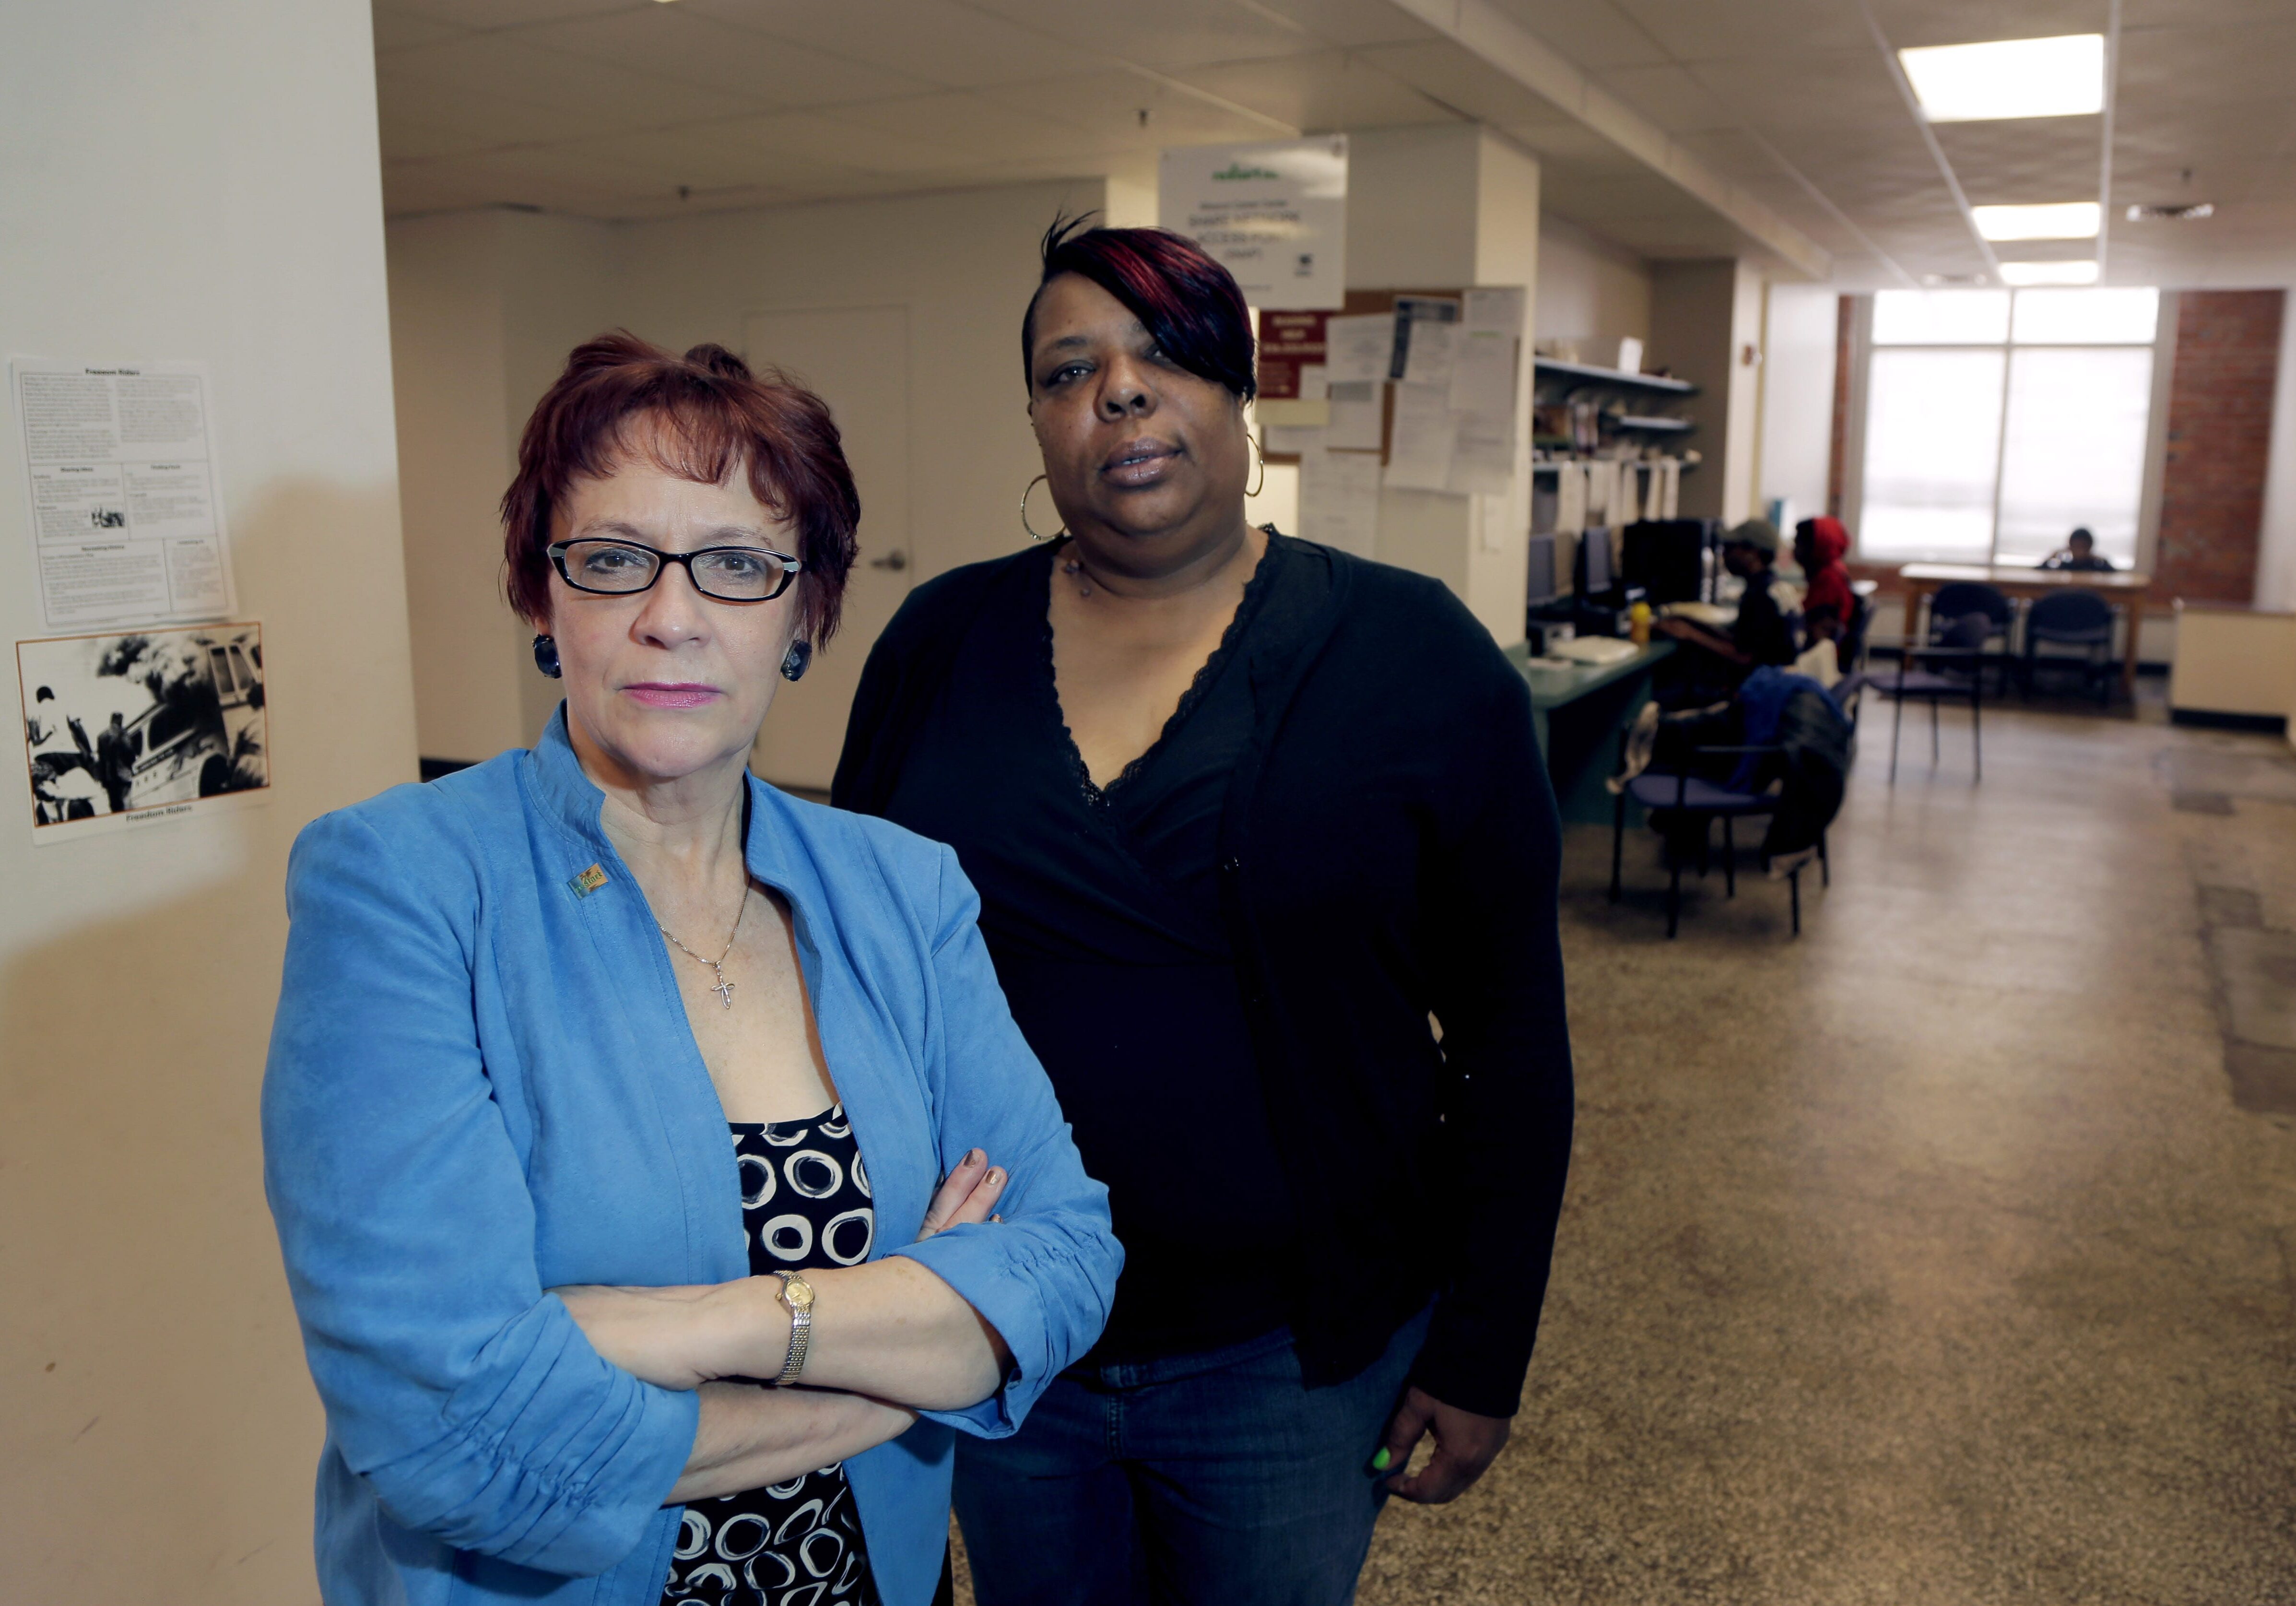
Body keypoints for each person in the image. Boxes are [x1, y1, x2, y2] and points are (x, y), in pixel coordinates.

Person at [262, 333, 1120, 1606]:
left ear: (801, 611)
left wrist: (696, 1326)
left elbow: (1063, 1261)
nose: (671, 617)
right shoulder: (400, 887)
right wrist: (912, 1341)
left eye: (734, 565)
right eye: (613, 561)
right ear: (543, 598)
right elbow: (462, 1436)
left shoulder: (902, 886)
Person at [832, 221, 1574, 1606]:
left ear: (1242, 395)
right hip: (1006, 1333)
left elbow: (1512, 1035)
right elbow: (857, 964)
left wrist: (1482, 1345)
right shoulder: (939, 643)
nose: (1116, 391)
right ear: (1041, 421)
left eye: (1164, 355)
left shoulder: (1415, 661)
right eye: (1070, 369)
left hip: (1287, 1357)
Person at [1654, 519, 1799, 693]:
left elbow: (1744, 657)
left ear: (1753, 552)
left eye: (1730, 548)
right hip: (1774, 686)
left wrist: (1690, 634)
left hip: (1759, 693)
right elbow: (1746, 643)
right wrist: (1694, 625)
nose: (1724, 555)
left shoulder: (1761, 597)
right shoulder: (1771, 586)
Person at [1792, 516, 1856, 654]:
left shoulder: (1828, 578)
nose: (1795, 550)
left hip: (1821, 655)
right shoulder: (1834, 569)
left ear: (1817, 545)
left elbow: (1814, 623)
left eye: (1799, 544)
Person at [94, 709, 133, 813]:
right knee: (126, 804)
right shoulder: (123, 734)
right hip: (123, 775)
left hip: (109, 778)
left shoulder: (102, 736)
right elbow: (129, 751)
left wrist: (103, 779)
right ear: (120, 720)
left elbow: (101, 760)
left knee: (115, 807)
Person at [2041, 527, 2115, 571]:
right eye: (2076, 546)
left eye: (2083, 546)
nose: (2080, 550)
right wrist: (2052, 557)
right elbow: (2040, 571)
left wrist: (2102, 560)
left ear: (2090, 547)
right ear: (2070, 547)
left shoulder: (2096, 566)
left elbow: (2113, 574)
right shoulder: (2065, 566)